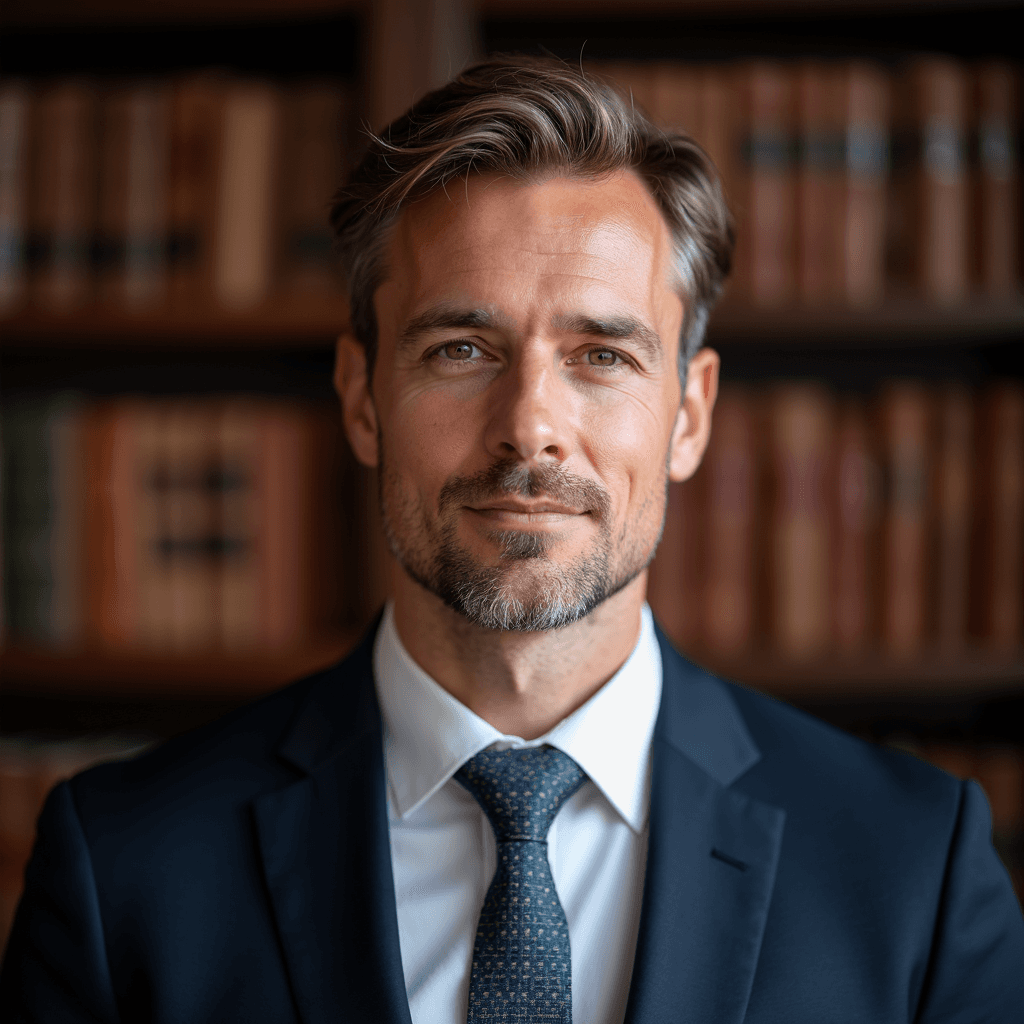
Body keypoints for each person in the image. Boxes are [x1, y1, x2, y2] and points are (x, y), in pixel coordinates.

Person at [1, 55, 1021, 1024]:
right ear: (362, 399)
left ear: (689, 415)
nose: (529, 423)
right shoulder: (122, 866)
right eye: (459, 348)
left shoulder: (912, 866)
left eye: (600, 354)